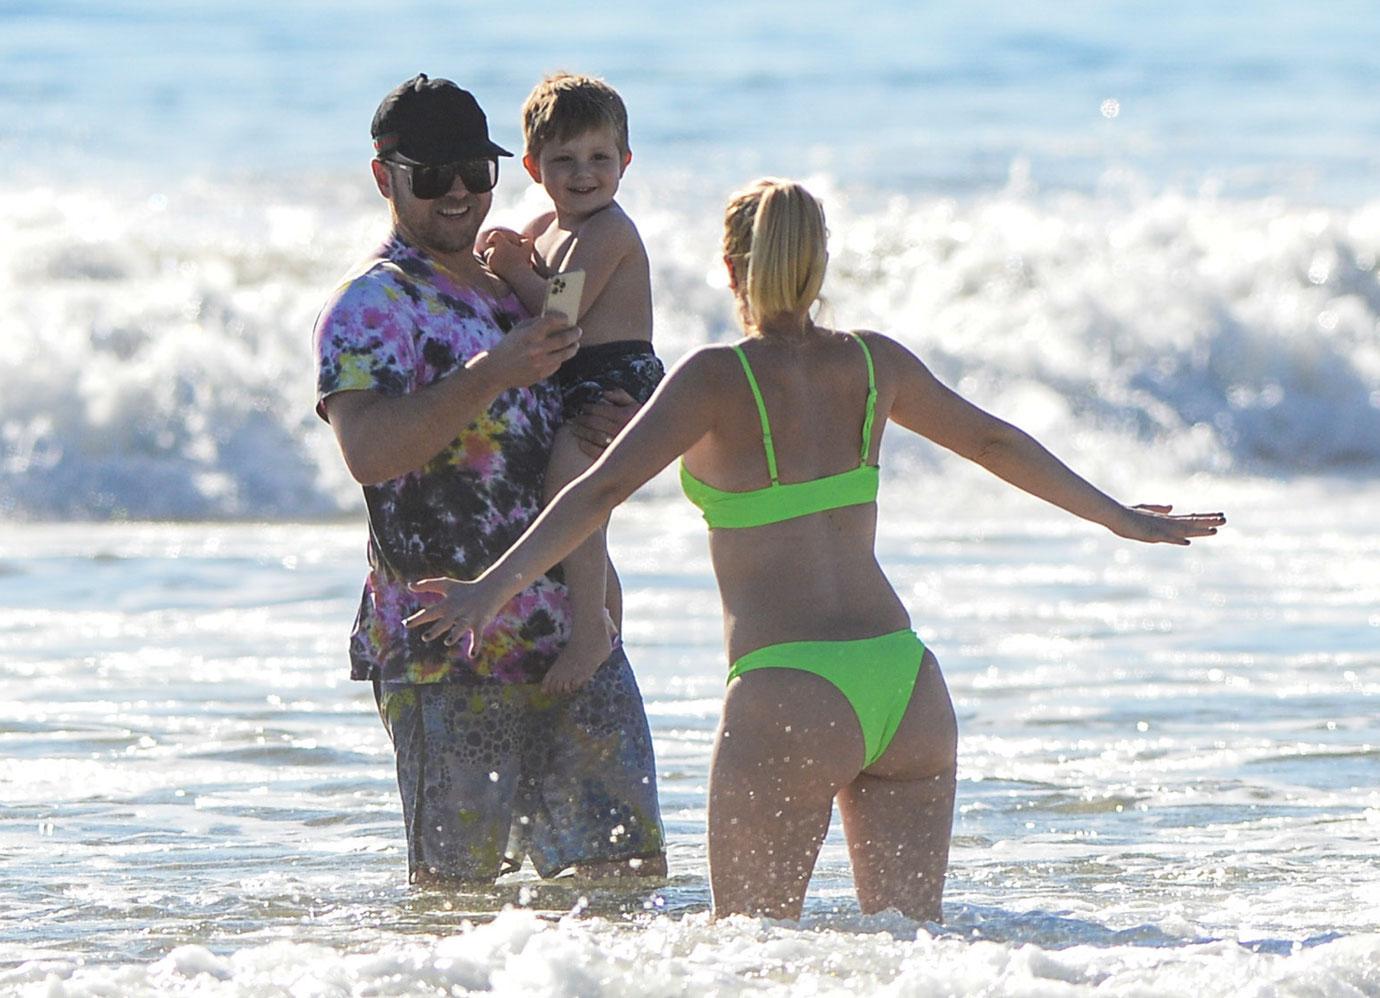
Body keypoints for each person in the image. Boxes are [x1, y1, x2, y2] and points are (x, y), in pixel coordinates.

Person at [404, 178, 1224, 920]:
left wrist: (490, 588)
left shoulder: (713, 378)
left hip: (787, 693)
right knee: (910, 955)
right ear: (817, 262)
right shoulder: (874, 362)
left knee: (753, 959)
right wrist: (1120, 516)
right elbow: (994, 444)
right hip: (906, 687)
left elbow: (598, 490)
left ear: (732, 269)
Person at [312, 73, 666, 886]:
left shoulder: (517, 284)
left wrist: (615, 420)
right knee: (457, 903)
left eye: (476, 171)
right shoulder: (374, 302)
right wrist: (491, 374)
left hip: (574, 636)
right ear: (384, 177)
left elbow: (564, 443)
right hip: (450, 649)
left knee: (623, 887)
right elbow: (368, 452)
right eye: (432, 175)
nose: (459, 193)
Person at [478, 72, 662, 696]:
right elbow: (531, 280)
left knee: (571, 497)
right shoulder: (547, 227)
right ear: (533, 166)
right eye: (564, 160)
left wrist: (509, 270)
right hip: (579, 377)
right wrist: (505, 249)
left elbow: (558, 316)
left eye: (599, 158)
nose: (584, 173)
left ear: (625, 162)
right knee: (586, 523)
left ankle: (590, 633)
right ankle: (607, 625)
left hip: (615, 381)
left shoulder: (608, 229)